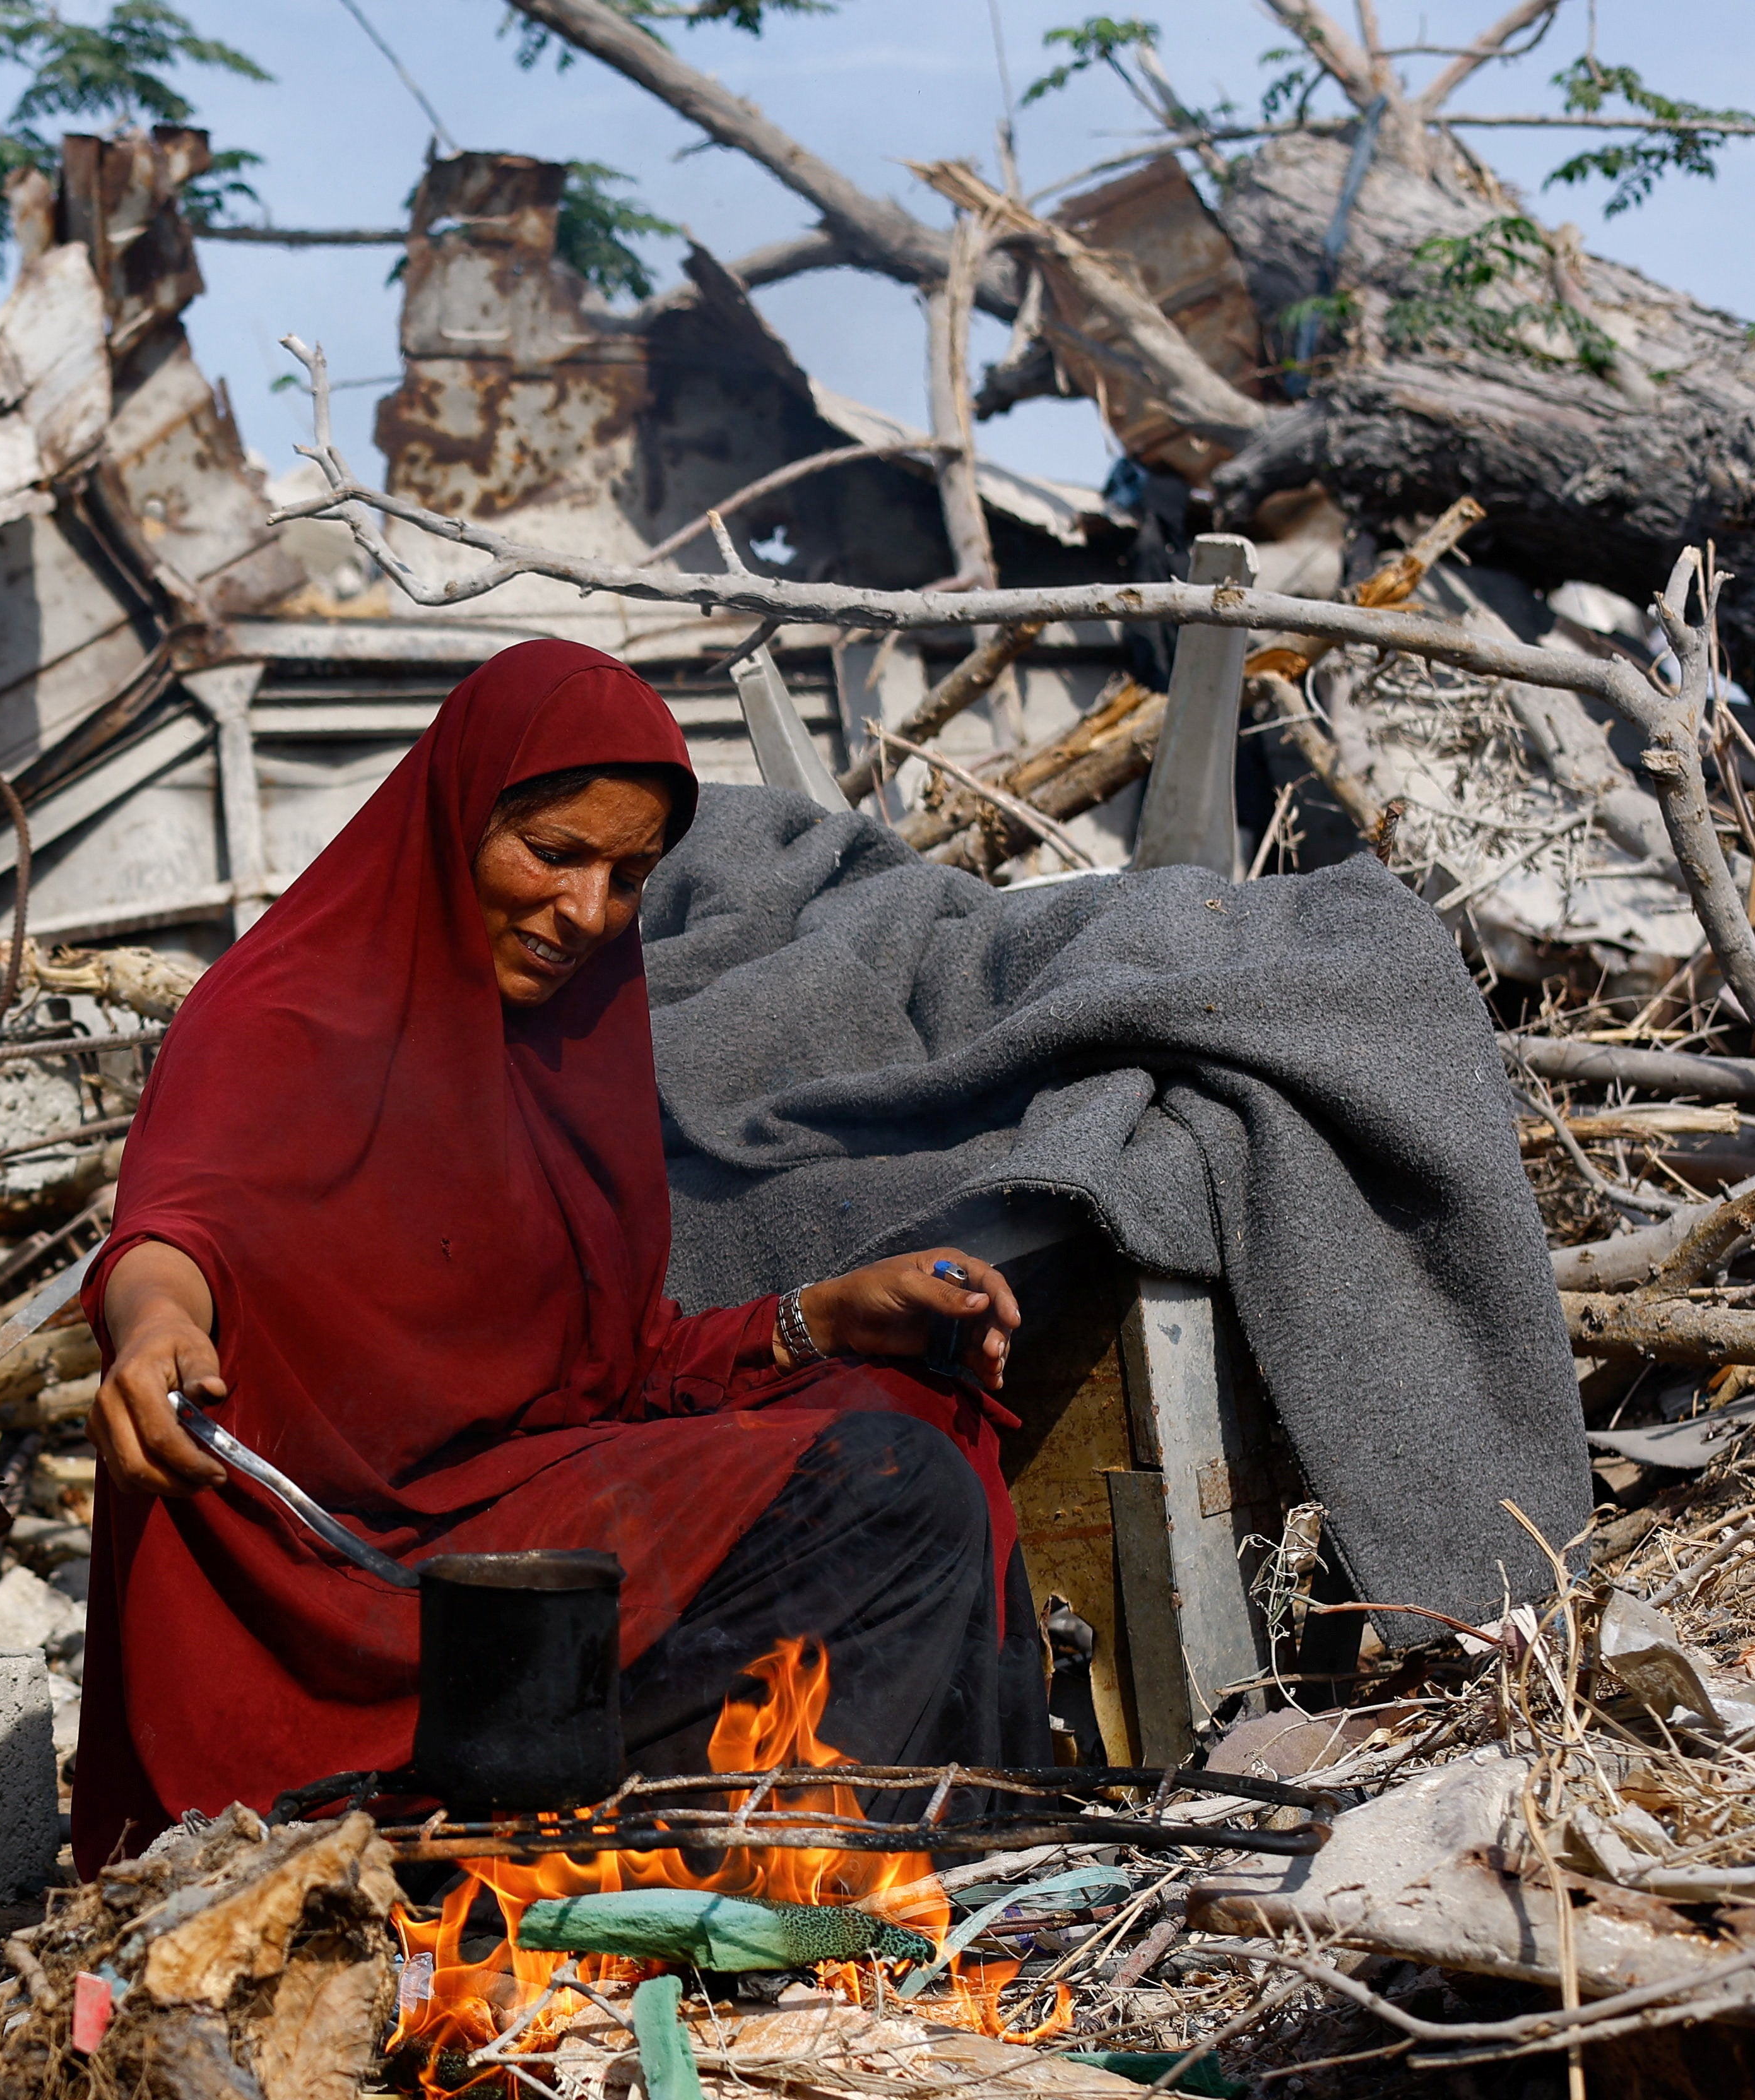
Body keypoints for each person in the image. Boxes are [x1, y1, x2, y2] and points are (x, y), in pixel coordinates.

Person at [74, 638, 1047, 1873]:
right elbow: (172, 1225)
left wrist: (828, 1316)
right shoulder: (278, 1016)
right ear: (458, 817)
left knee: (900, 1415)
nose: (586, 914)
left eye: (627, 876)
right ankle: (691, 1875)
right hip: (330, 1595)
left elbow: (605, 1367)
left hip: (514, 1536)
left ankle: (880, 1885)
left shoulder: (564, 1042)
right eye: (551, 853)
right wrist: (156, 1325)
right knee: (888, 1485)